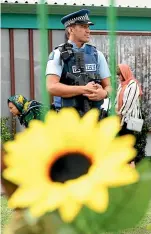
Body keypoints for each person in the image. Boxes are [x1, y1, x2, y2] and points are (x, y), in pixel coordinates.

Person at [46, 9, 111, 116]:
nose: (88, 31)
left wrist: (104, 93)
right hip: (67, 119)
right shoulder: (58, 54)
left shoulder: (97, 54)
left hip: (93, 118)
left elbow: (109, 86)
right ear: (71, 30)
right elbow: (51, 87)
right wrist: (84, 89)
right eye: (83, 27)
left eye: (88, 27)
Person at [115, 64, 143, 167]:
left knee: (129, 140)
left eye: (120, 75)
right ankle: (125, 163)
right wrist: (115, 110)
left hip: (130, 117)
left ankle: (131, 164)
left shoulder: (133, 84)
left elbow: (129, 102)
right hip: (121, 117)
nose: (119, 77)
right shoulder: (122, 84)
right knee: (123, 140)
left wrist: (120, 113)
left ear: (124, 73)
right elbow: (117, 98)